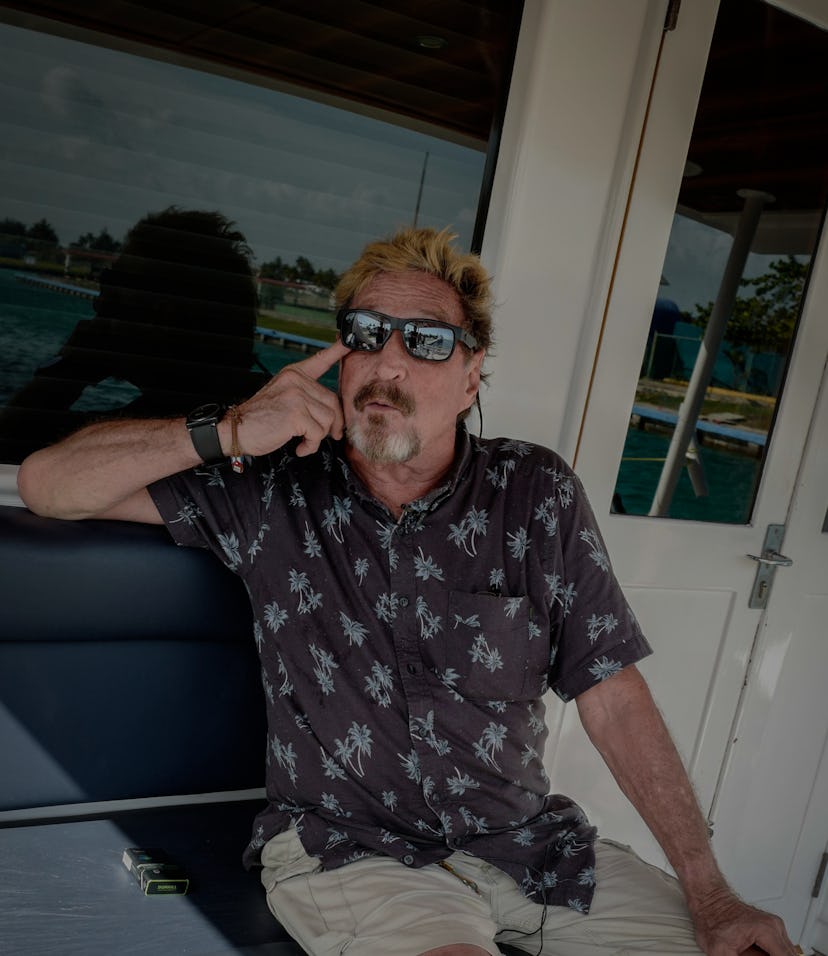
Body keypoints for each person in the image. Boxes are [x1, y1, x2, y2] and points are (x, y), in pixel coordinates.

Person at [17, 227, 796, 956]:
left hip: (533, 848)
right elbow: (49, 485)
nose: (388, 362)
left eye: (425, 340)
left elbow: (613, 693)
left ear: (470, 376)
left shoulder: (534, 492)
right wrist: (228, 429)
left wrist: (711, 891)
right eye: (365, 334)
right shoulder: (272, 487)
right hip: (350, 849)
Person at [0, 206, 268, 462]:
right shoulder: (267, 422)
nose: (98, 304)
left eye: (113, 288)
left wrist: (68, 370)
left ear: (160, 314)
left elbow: (13, 442)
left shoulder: (129, 445)